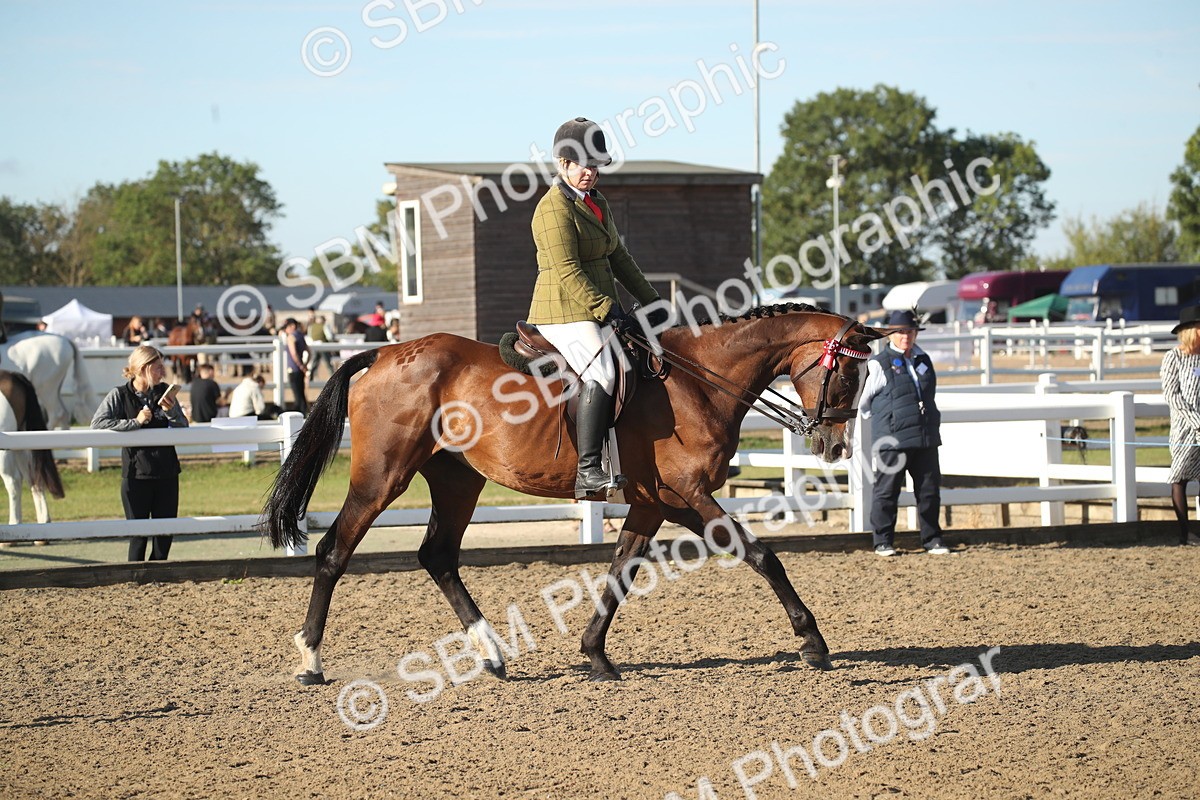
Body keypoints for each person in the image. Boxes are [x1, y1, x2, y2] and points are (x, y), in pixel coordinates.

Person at [527, 116, 665, 500]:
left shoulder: (597, 202)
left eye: (595, 164)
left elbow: (619, 256)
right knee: (604, 371)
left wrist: (653, 301)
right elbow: (568, 271)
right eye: (582, 164)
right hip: (562, 311)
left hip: (593, 309)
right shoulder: (553, 209)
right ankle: (588, 470)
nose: (590, 171)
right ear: (562, 164)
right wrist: (608, 308)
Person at [857, 309, 949, 556]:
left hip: (925, 436)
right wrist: (889, 420)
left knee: (929, 492)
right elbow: (863, 403)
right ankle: (883, 541)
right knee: (887, 492)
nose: (905, 336)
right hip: (892, 440)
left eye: (909, 331)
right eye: (900, 332)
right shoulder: (878, 364)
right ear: (890, 335)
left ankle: (932, 539)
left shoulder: (924, 360)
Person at [91, 345, 188, 562]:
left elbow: (183, 427)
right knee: (138, 536)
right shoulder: (119, 394)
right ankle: (135, 579)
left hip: (167, 473)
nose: (163, 372)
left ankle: (159, 579)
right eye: (158, 367)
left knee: (165, 535)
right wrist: (135, 422)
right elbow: (97, 424)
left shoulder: (165, 392)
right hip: (136, 475)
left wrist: (170, 411)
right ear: (143, 368)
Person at [1161, 305, 1200, 546]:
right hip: (1185, 429)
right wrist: (1197, 421)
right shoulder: (1173, 357)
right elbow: (1173, 396)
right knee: (1180, 478)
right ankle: (1184, 534)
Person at [282, 318, 309, 414]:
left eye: (286, 327)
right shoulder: (301, 336)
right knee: (301, 395)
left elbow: (294, 354)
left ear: (292, 326)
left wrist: (300, 366)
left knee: (298, 397)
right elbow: (309, 352)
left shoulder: (291, 337)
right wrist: (304, 366)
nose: (285, 330)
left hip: (293, 369)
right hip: (300, 370)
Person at [306, 313, 335, 379]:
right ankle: (333, 377)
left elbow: (309, 336)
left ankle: (311, 377)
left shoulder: (312, 326)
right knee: (328, 363)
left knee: (314, 362)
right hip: (323, 345)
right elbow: (329, 336)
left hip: (314, 346)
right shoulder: (324, 326)